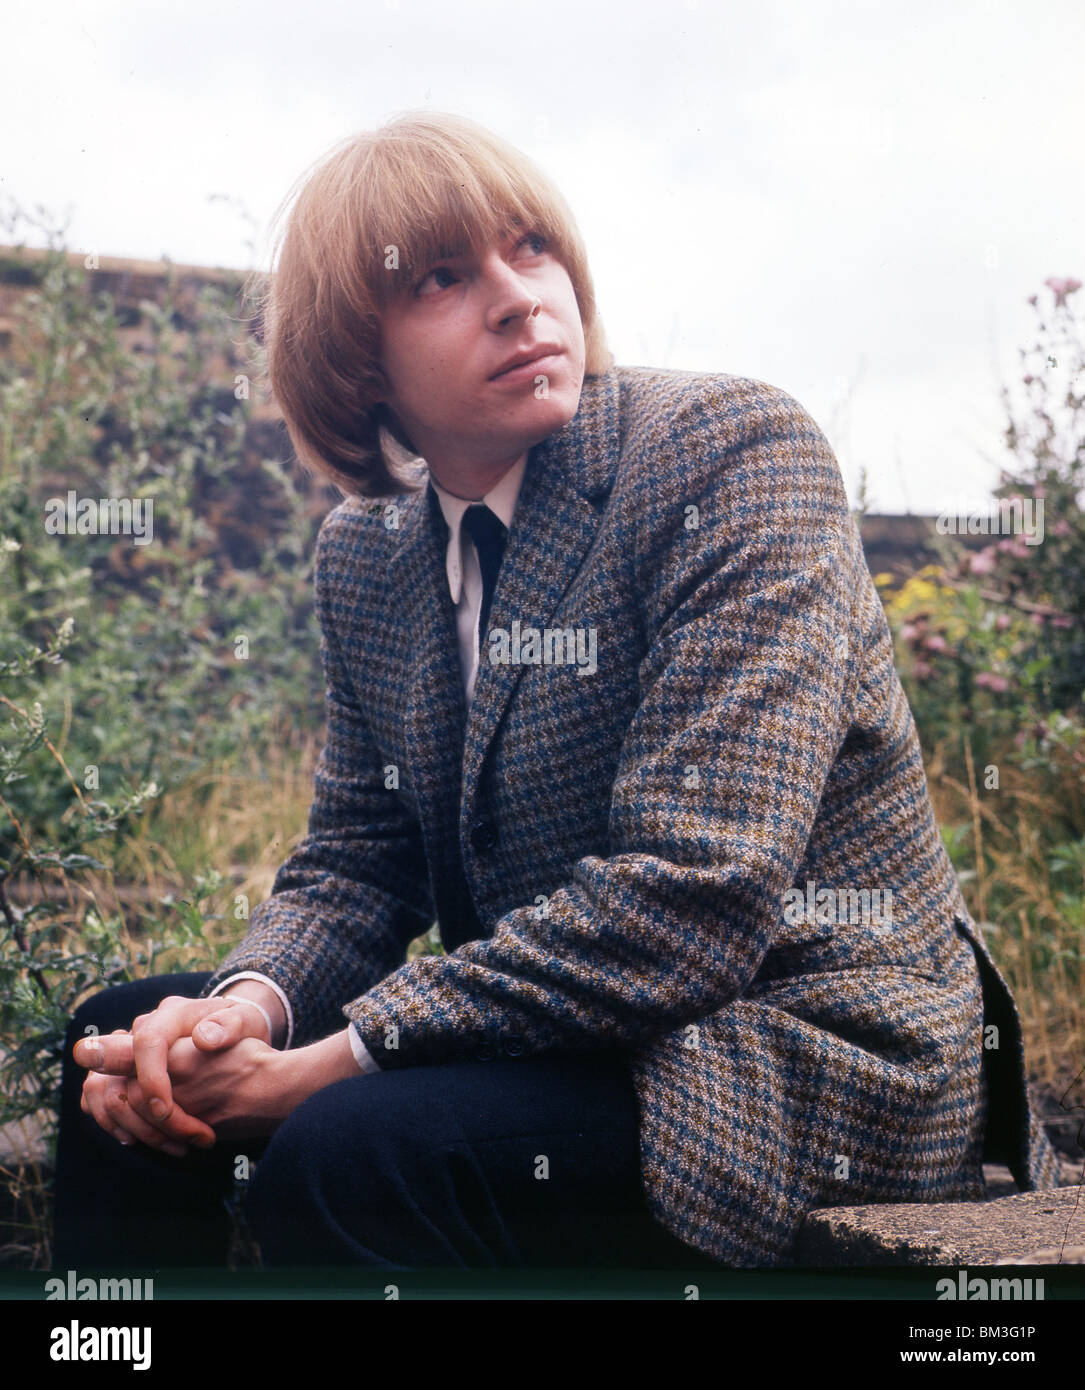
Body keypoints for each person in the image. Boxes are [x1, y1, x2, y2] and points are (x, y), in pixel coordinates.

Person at [53, 111, 1061, 1273]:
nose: (518, 296)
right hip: (574, 1028)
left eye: (530, 249)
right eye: (440, 276)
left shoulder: (729, 455)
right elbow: (356, 862)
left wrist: (322, 1066)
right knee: (125, 1047)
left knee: (356, 1144)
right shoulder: (367, 554)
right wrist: (246, 1012)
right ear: (353, 359)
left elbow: (694, 896)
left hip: (797, 1048)